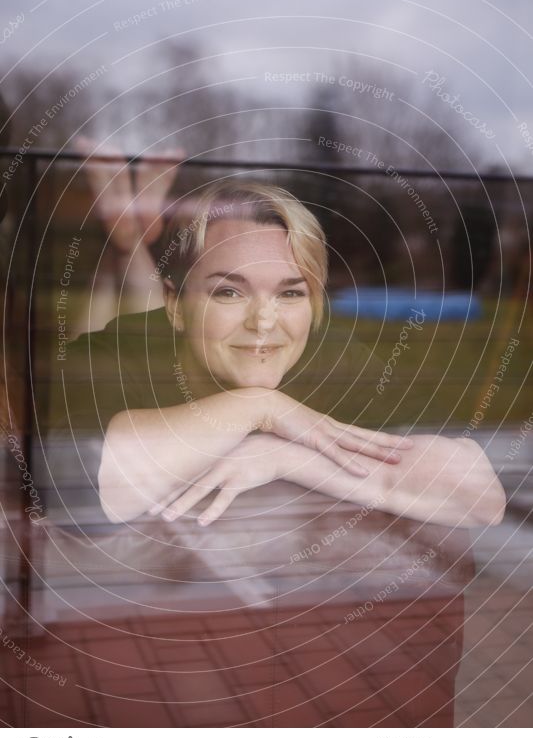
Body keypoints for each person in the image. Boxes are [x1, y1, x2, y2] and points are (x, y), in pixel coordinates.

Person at [38, 178, 506, 529]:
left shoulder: (334, 360)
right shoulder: (115, 353)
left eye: (290, 294)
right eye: (228, 293)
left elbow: (479, 496)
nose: (264, 322)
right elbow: (79, 489)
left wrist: (286, 457)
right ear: (175, 303)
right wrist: (259, 407)